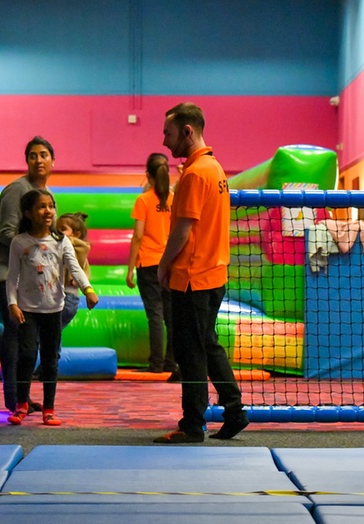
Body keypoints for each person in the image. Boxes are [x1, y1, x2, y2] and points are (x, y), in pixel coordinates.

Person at [154, 102, 248, 443]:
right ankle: (232, 411)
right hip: (213, 274)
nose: (165, 141)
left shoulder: (196, 173)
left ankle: (194, 424)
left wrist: (163, 264)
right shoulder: (215, 168)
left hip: (194, 277)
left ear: (187, 131)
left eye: (169, 133)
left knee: (192, 351)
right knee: (205, 345)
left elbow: (183, 229)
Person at [5, 189, 98, 426]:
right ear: (28, 213)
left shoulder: (61, 240)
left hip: (53, 309)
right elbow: (12, 276)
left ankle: (49, 407)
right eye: (42, 207)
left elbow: (74, 267)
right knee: (26, 356)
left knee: (50, 360)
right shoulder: (20, 242)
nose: (48, 211)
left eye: (51, 206)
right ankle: (22, 404)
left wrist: (88, 289)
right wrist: (12, 304)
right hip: (27, 309)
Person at [0, 136, 54, 414]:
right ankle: (14, 398)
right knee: (15, 330)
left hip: (25, 274)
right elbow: (6, 234)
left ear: (52, 161)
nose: (39, 160)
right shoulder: (17, 190)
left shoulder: (46, 195)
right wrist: (37, 248)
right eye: (33, 155)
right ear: (27, 161)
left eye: (44, 155)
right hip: (2, 271)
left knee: (25, 335)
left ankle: (20, 397)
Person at [126, 153, 178, 377]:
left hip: (148, 263)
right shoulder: (174, 199)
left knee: (155, 315)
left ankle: (156, 364)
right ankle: (171, 363)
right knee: (171, 316)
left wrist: (130, 268)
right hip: (171, 263)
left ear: (148, 175)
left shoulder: (144, 200)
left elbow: (138, 236)